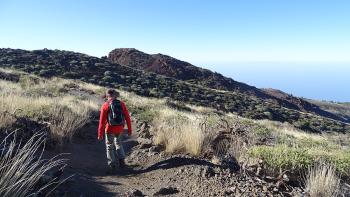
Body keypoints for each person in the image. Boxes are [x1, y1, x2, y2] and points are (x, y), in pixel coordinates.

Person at [98, 89, 132, 174]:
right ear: (115, 95)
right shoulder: (121, 104)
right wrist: (129, 130)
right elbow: (127, 117)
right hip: (120, 128)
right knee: (118, 143)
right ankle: (122, 162)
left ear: (107, 96)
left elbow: (101, 122)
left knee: (109, 146)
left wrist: (100, 134)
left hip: (109, 129)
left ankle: (112, 166)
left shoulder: (105, 105)